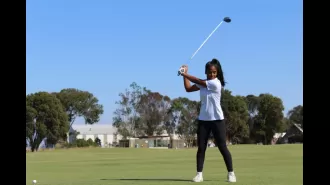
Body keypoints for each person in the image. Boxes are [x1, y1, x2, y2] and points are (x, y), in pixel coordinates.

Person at [178, 58, 236, 183]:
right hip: (203, 120)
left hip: (217, 120)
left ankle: (231, 173)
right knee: (201, 148)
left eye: (214, 72)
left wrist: (184, 73)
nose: (212, 74)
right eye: (210, 72)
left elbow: (197, 80)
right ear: (206, 72)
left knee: (222, 147)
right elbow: (188, 89)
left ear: (217, 73)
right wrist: (184, 76)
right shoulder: (203, 83)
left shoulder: (216, 83)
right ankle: (199, 174)